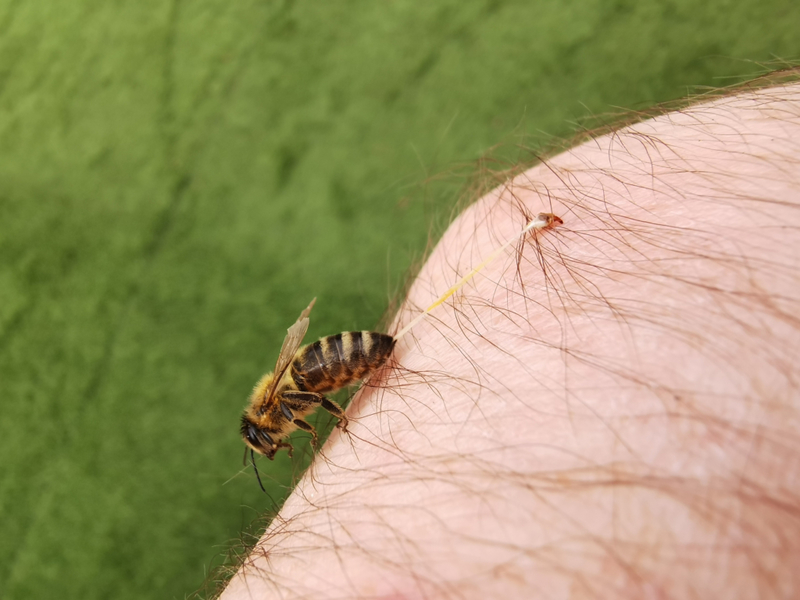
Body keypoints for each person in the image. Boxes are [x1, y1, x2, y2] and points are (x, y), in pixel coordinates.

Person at [221, 73, 800, 599]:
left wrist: (341, 414)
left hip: (341, 364)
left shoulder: (284, 400)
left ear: (265, 418)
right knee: (486, 232)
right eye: (272, 443)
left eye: (268, 438)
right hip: (345, 362)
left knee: (486, 236)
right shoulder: (283, 398)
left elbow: (316, 393)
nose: (276, 442)